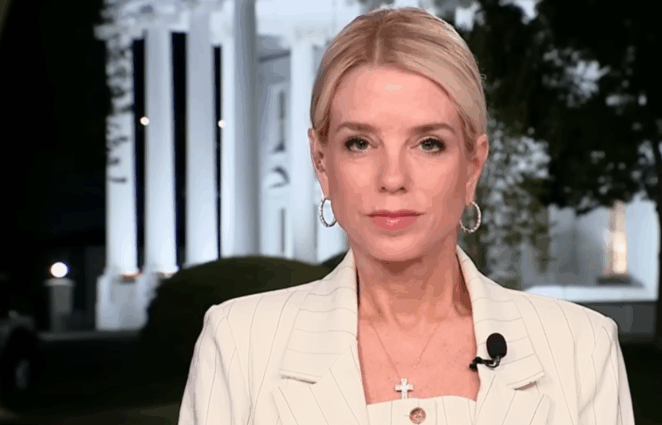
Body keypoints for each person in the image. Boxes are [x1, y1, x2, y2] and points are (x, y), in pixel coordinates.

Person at [178, 6, 634, 425]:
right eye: (360, 143)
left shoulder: (581, 348)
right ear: (322, 162)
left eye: (429, 143)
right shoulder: (239, 345)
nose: (393, 178)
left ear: (472, 166)